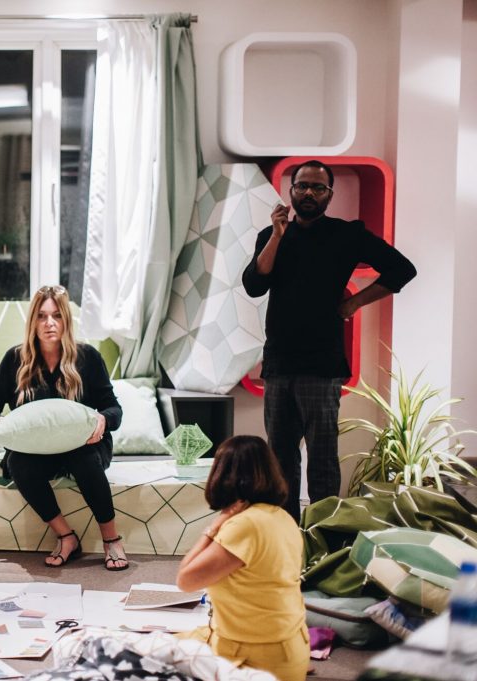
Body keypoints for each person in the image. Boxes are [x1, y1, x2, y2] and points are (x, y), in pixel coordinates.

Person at [241, 160, 416, 520]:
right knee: (280, 461)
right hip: (278, 364)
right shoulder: (273, 234)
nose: (308, 192)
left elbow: (403, 269)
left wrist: (354, 302)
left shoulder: (347, 234)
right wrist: (276, 234)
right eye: (302, 185)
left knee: (321, 460)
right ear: (290, 191)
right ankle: (286, 537)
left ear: (329, 195)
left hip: (322, 365)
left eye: (317, 188)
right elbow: (254, 285)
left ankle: (323, 539)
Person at [0, 285, 127, 571]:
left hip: (84, 445)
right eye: (42, 316)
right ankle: (66, 535)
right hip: (37, 450)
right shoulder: (15, 359)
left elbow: (114, 409)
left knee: (83, 459)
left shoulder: (88, 358)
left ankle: (111, 540)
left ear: (66, 321)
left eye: (57, 316)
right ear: (33, 321)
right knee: (17, 462)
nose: (49, 324)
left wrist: (103, 420)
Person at [175, 435, 308, 681]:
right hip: (290, 646)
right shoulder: (282, 516)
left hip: (256, 660)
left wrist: (215, 525)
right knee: (172, 642)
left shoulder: (244, 525)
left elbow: (185, 580)